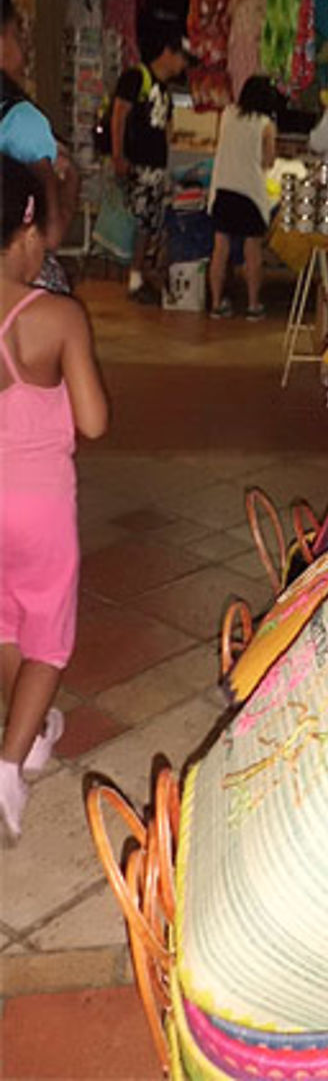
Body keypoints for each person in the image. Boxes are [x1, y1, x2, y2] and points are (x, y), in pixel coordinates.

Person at [0, 155, 108, 840]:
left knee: (5, 620)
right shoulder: (57, 314)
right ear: (29, 223)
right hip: (37, 503)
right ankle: (8, 765)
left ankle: (31, 729)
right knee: (48, 636)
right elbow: (93, 420)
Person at [0, 0, 79, 294]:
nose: (25, 50)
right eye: (17, 36)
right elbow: (51, 234)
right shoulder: (24, 121)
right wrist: (71, 179)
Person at [110, 30, 187, 304]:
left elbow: (165, 127)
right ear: (168, 52)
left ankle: (140, 274)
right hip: (138, 164)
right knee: (140, 222)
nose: (183, 66)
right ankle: (134, 276)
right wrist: (118, 154)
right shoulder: (136, 78)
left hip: (156, 166)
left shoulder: (164, 90)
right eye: (181, 58)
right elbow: (119, 114)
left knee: (151, 223)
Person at [207, 74, 278, 320]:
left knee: (220, 249)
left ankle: (216, 303)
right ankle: (253, 304)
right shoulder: (265, 125)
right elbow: (268, 162)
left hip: (223, 189)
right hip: (250, 193)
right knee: (252, 252)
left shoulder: (227, 114)